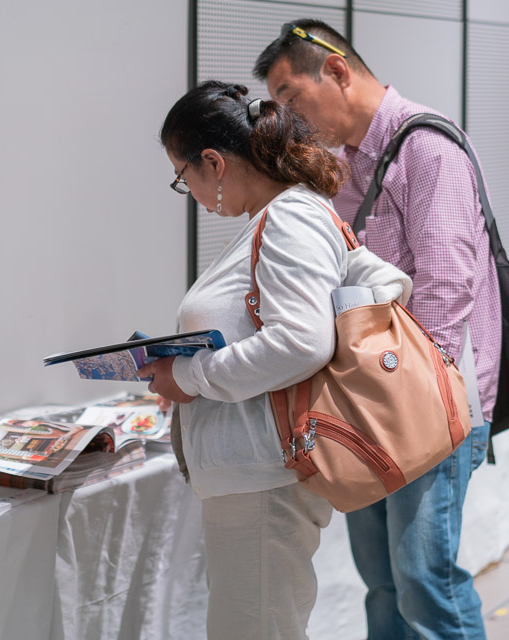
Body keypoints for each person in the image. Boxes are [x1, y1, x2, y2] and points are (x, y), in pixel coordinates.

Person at [136, 80, 411, 640]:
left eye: (181, 176)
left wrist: (188, 376)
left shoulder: (288, 219)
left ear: (212, 161)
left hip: (263, 477)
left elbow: (301, 341)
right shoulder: (285, 216)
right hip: (257, 474)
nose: (186, 189)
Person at [254, 19, 501, 640]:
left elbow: (448, 289)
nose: (288, 116)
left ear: (336, 71)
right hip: (369, 398)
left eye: (289, 98)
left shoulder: (428, 147)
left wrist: (421, 399)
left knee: (425, 582)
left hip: (428, 399)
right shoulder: (342, 163)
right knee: (383, 581)